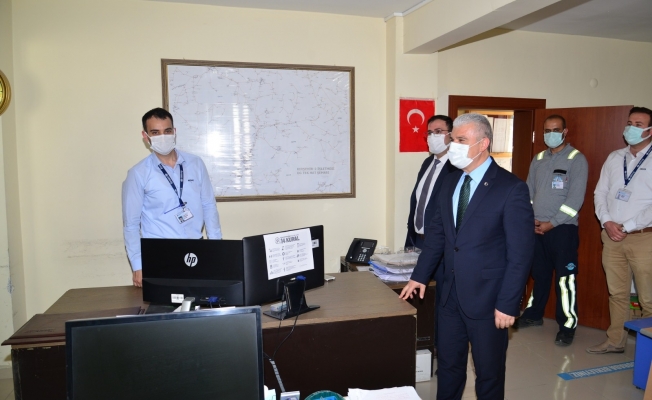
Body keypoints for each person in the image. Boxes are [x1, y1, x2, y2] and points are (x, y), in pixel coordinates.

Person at [400, 113, 534, 399]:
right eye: (453, 139)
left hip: (489, 299)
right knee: (448, 367)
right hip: (449, 295)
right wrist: (419, 276)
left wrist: (508, 304)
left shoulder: (511, 188)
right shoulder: (450, 182)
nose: (453, 146)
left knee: (488, 374)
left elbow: (520, 254)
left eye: (461, 140)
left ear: (483, 144)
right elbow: (437, 236)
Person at [122, 108, 222, 287]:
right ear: (145, 136)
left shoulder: (196, 164)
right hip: (160, 253)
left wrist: (217, 248)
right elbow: (131, 224)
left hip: (197, 250)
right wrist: (138, 264)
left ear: (174, 132)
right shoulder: (138, 173)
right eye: (155, 132)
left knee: (201, 300)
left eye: (167, 131)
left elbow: (208, 205)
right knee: (163, 303)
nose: (163, 136)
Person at [515, 115, 588, 347]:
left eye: (556, 130)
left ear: (565, 132)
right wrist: (530, 220)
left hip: (562, 230)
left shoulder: (576, 159)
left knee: (565, 280)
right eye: (547, 130)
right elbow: (528, 192)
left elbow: (575, 200)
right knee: (539, 275)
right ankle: (533, 314)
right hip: (537, 229)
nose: (551, 134)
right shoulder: (538, 159)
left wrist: (552, 223)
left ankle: (567, 325)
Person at [589, 106, 652, 354]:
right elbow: (600, 192)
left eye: (638, 124)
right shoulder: (615, 157)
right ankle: (615, 341)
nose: (631, 128)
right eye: (629, 123)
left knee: (648, 299)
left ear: (650, 130)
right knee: (617, 294)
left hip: (643, 237)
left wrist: (627, 226)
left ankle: (647, 355)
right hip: (612, 236)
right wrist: (606, 221)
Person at [405, 115, 458, 250]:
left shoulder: (457, 167)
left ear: (451, 135)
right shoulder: (427, 163)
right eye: (429, 132)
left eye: (438, 131)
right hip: (418, 239)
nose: (433, 136)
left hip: (440, 242)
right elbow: (418, 200)